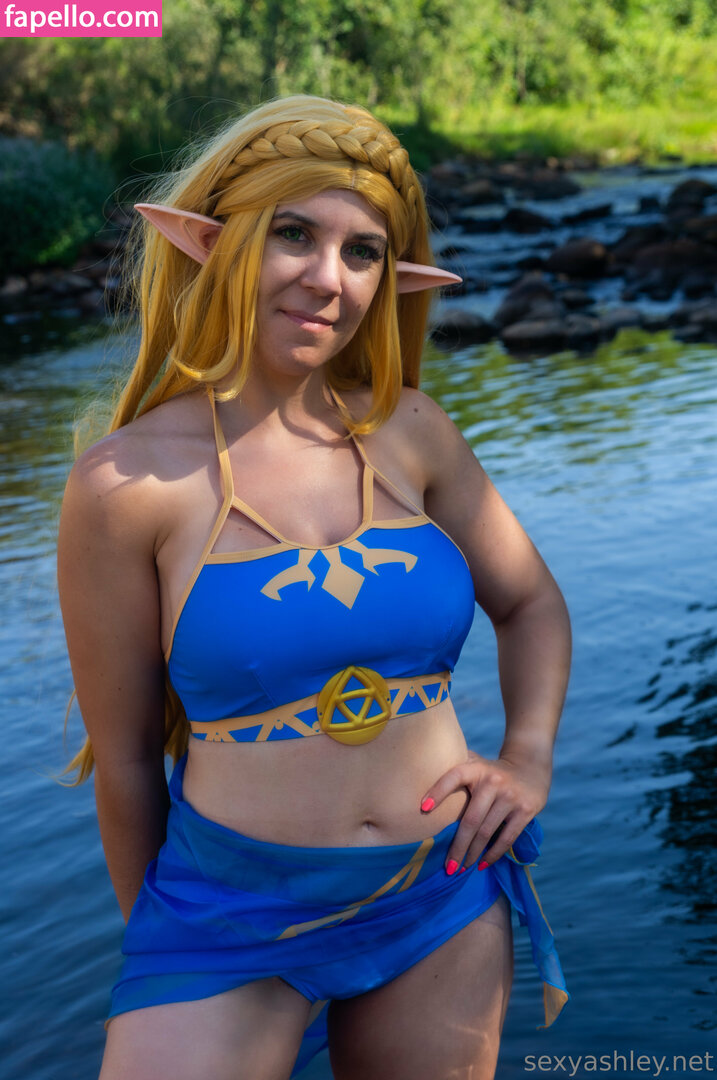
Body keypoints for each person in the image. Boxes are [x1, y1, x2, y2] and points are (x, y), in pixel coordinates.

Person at [58, 94, 571, 1080]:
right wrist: (161, 948)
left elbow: (530, 604)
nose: (328, 279)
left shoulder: (412, 431)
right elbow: (123, 760)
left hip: (441, 886)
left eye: (363, 251)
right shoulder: (124, 486)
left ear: (388, 277)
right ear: (216, 244)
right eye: (294, 234)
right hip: (224, 917)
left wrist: (529, 760)